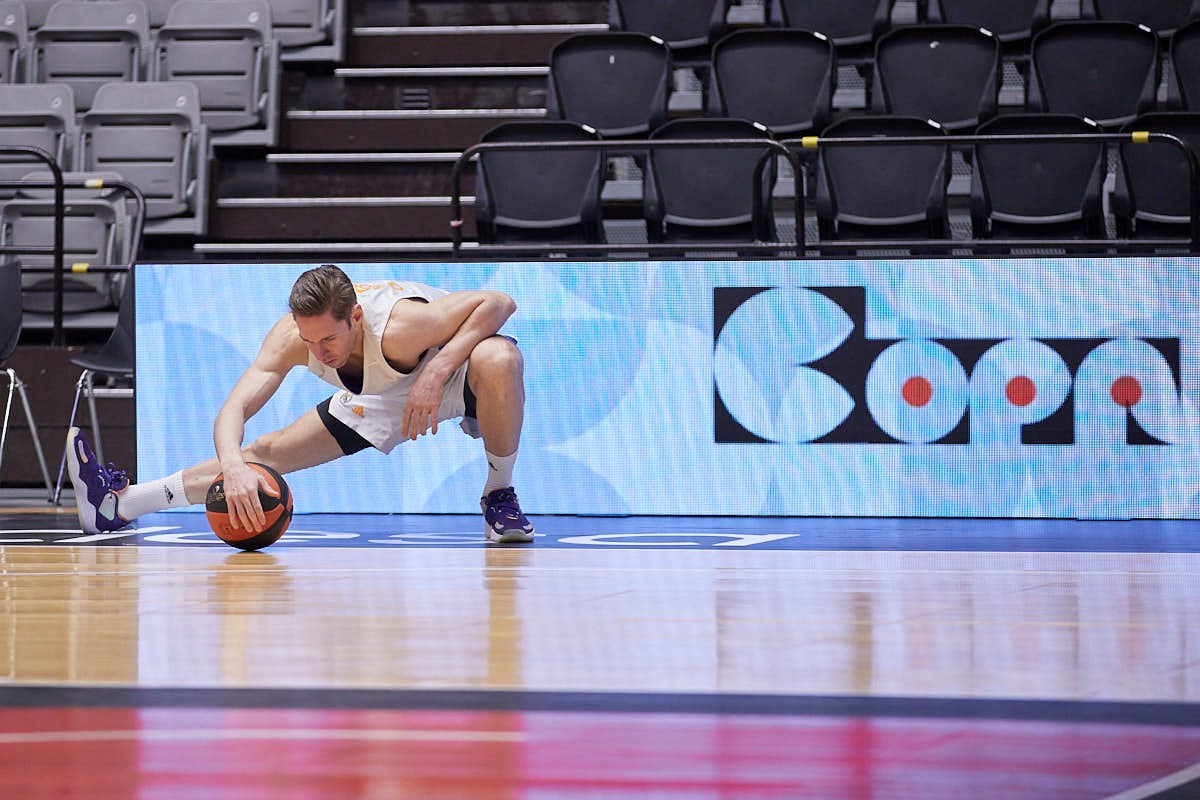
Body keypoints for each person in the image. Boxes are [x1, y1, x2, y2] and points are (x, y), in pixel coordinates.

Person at [66, 264, 536, 543]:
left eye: (330, 338)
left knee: (500, 355)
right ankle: (118, 505)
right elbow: (235, 409)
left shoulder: (402, 325)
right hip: (376, 396)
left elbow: (499, 302)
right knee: (263, 455)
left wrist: (436, 371)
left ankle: (499, 494)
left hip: (453, 374)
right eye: (310, 341)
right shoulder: (294, 337)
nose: (320, 353)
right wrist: (233, 467)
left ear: (355, 317)